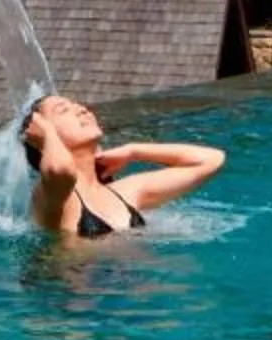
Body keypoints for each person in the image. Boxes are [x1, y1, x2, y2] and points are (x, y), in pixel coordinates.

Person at [18, 93, 223, 238]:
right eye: (63, 110)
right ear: (41, 134)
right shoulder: (52, 197)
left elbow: (211, 160)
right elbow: (59, 170)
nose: (82, 109)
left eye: (77, 105)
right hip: (78, 297)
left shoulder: (123, 193)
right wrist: (46, 136)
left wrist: (134, 151)